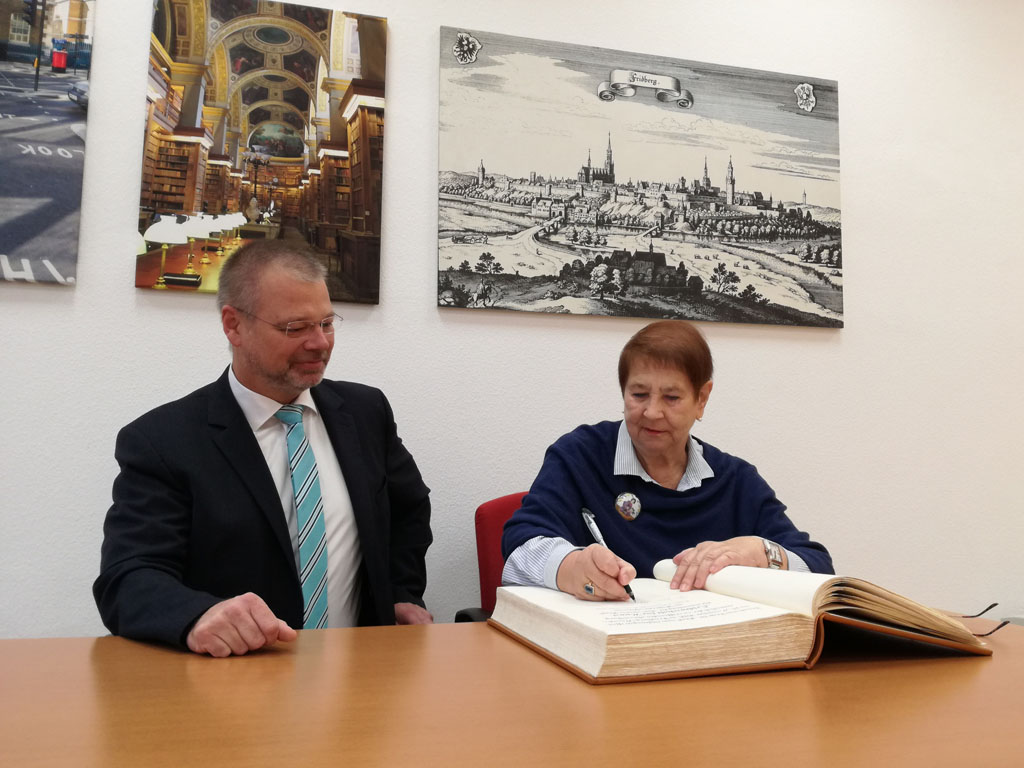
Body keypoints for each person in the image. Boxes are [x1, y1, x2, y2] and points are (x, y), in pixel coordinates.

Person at [94, 241, 433, 657]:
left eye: (327, 323)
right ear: (233, 325)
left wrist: (400, 592)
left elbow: (408, 509)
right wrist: (197, 616)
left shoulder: (366, 412)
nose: (320, 343)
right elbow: (128, 578)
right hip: (235, 678)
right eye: (295, 328)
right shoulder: (163, 441)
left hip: (360, 672)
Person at [501, 319, 832, 602]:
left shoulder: (736, 480)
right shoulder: (580, 456)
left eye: (671, 397)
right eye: (639, 394)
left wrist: (762, 553)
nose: (652, 412)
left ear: (701, 399)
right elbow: (520, 546)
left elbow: (818, 569)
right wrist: (572, 567)